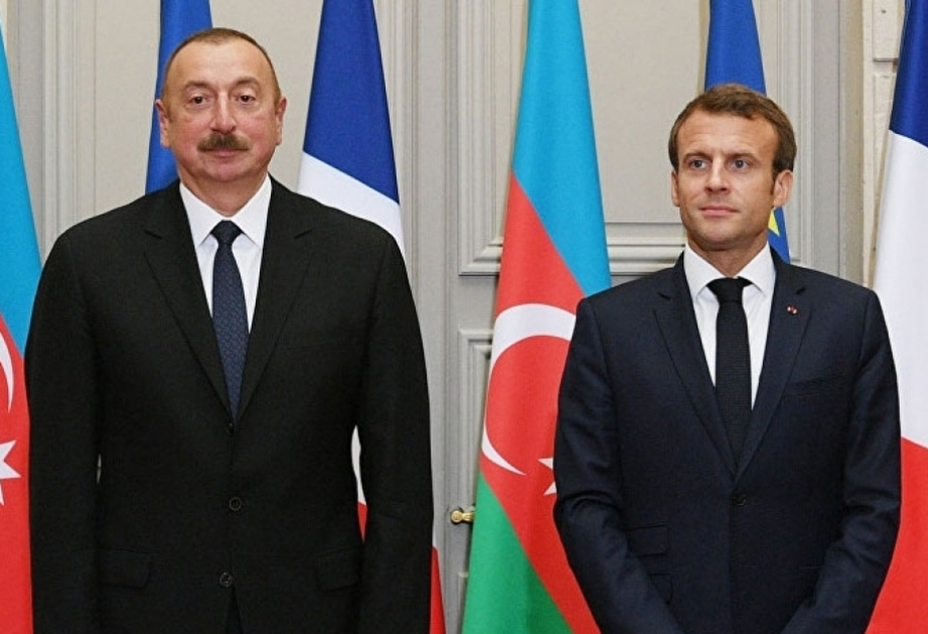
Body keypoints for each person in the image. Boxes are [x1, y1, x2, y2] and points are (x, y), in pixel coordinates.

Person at [27, 27, 432, 634]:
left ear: (279, 116)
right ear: (164, 123)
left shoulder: (361, 260)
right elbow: (60, 489)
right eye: (198, 100)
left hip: (316, 613)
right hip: (143, 615)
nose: (223, 121)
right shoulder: (88, 263)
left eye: (245, 98)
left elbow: (401, 486)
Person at [553, 83, 900, 634]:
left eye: (740, 163)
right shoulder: (610, 325)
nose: (715, 180)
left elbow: (873, 504)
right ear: (675, 186)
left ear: (780, 186)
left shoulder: (847, 318)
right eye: (698, 163)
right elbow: (585, 504)